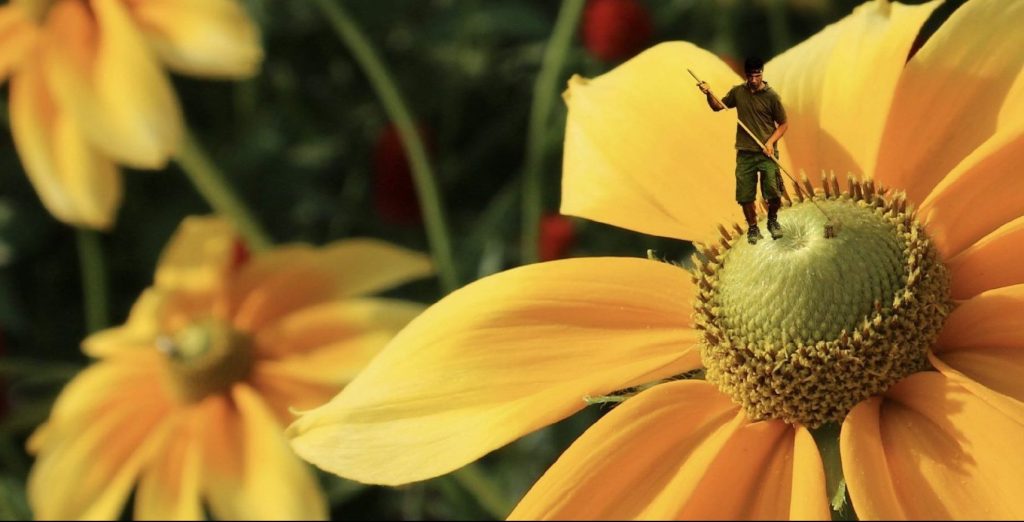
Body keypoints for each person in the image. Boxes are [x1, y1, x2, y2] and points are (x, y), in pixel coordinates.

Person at [698, 57, 788, 245]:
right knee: (745, 196)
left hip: (766, 152)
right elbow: (718, 107)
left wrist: (771, 142)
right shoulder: (738, 92)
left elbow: (783, 124)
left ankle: (772, 221)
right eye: (750, 76)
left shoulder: (772, 97)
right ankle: (753, 228)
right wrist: (708, 93)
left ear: (761, 73)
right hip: (746, 152)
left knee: (774, 193)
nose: (753, 79)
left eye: (757, 75)